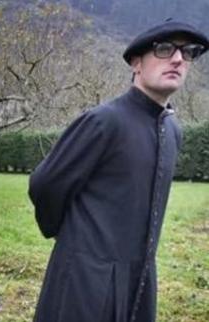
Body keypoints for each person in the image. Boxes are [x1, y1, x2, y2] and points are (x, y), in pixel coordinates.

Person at [28, 20, 208, 322]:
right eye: (165, 49)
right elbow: (45, 184)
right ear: (136, 62)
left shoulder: (172, 130)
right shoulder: (103, 121)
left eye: (187, 52)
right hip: (85, 283)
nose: (178, 59)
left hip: (140, 280)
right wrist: (76, 240)